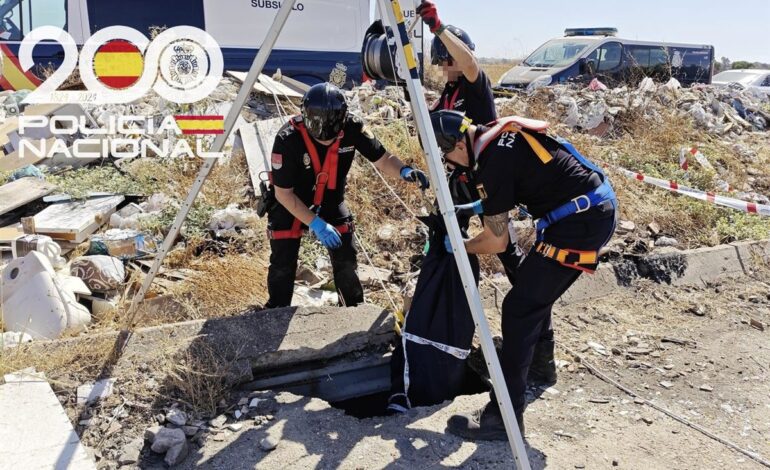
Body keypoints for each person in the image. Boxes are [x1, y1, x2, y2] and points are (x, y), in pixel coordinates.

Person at [430, 110, 617, 438]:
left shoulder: (490, 162)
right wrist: (477, 208)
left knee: (519, 308)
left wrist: (458, 245)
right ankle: (540, 368)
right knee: (531, 298)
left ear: (458, 144)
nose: (447, 163)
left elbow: (495, 239)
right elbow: (517, 187)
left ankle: (503, 420)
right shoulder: (493, 140)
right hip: (585, 210)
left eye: (444, 154)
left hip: (580, 222)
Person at [417, 0, 556, 386]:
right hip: (458, 182)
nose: (445, 67)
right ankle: (447, 330)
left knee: (507, 253)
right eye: (442, 61)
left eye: (448, 60)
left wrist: (439, 28)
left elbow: (472, 63)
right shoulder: (444, 96)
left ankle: (542, 350)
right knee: (443, 246)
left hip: (489, 180)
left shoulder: (475, 90)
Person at [265, 83, 429, 308]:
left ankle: (352, 310)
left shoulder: (353, 126)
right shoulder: (287, 138)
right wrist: (316, 224)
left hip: (331, 201)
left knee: (346, 259)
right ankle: (276, 312)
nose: (326, 140)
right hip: (293, 202)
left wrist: (404, 171)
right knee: (283, 263)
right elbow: (283, 194)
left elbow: (382, 158)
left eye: (331, 136)